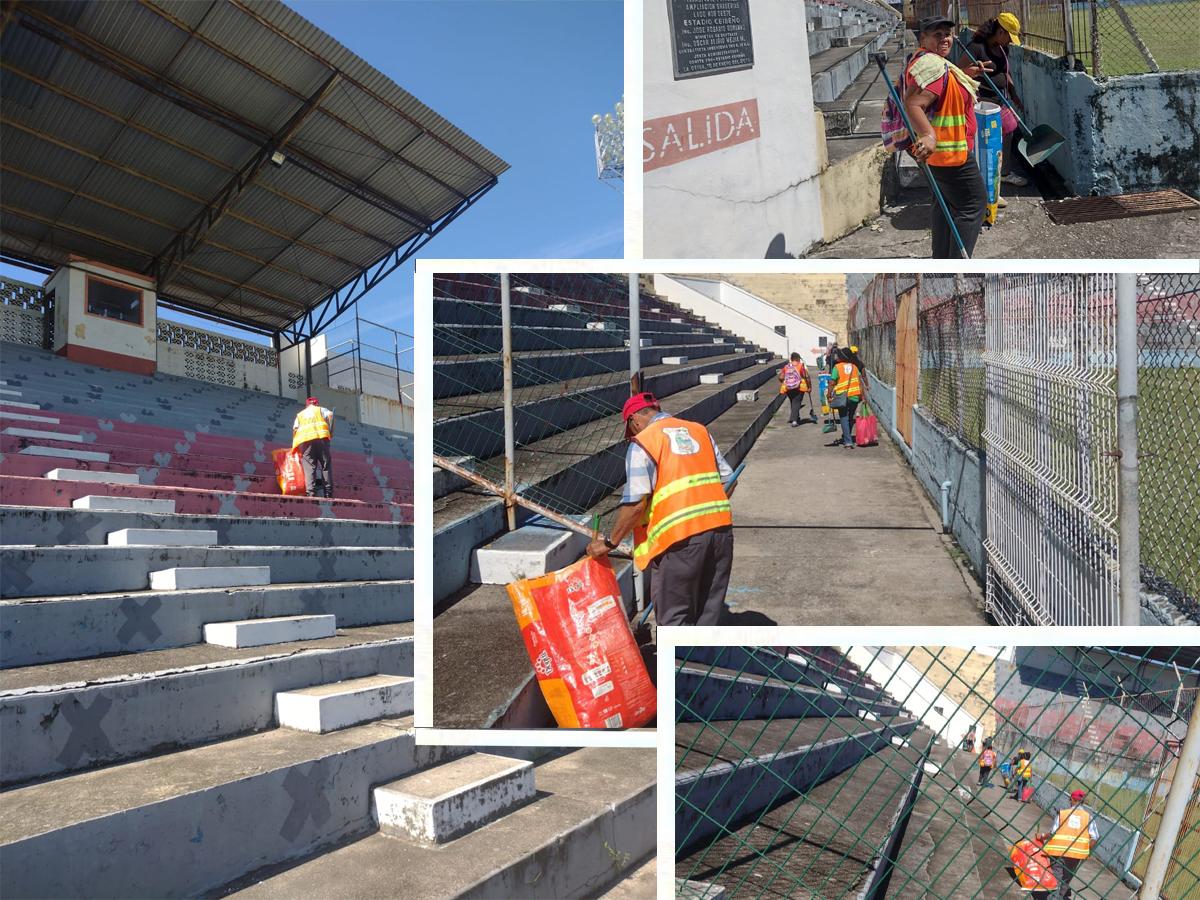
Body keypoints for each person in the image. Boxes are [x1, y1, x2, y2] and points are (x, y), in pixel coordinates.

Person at [587, 392, 736, 626]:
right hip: (721, 533)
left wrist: (610, 542)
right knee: (708, 615)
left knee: (674, 620)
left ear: (634, 419)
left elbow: (635, 505)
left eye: (631, 429)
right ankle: (697, 661)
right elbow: (729, 479)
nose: (633, 434)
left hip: (678, 543)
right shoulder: (698, 430)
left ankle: (675, 662)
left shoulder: (644, 442)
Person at [904, 15, 991, 258]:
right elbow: (913, 103)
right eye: (937, 34)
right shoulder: (934, 67)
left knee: (944, 207)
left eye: (947, 34)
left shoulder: (931, 62)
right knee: (973, 204)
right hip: (949, 153)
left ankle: (941, 263)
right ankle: (956, 267)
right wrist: (928, 134)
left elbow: (940, 88)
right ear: (923, 38)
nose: (945, 39)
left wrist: (963, 74)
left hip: (940, 155)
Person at [959, 12, 1028, 194]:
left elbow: (1006, 73)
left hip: (1000, 99)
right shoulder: (975, 48)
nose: (1010, 41)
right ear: (1000, 32)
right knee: (985, 140)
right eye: (1009, 37)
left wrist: (1014, 95)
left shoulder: (1002, 48)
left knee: (1009, 129)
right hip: (982, 103)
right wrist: (975, 71)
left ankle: (1003, 172)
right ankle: (982, 177)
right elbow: (959, 72)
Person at [1038, 789, 1099, 898]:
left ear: (1071, 799)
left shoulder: (1063, 814)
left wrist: (1042, 836)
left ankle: (1054, 897)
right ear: (1083, 802)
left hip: (1058, 852)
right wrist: (1086, 852)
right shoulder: (1088, 817)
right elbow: (1095, 837)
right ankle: (1060, 896)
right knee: (1067, 877)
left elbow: (1052, 833)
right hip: (1075, 855)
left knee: (1056, 876)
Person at [292, 396, 335, 498]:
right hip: (322, 440)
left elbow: (295, 429)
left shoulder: (300, 414)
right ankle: (328, 493)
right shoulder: (321, 409)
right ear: (316, 403)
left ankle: (310, 493)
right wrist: (331, 432)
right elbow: (331, 415)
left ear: (306, 405)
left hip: (306, 442)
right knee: (325, 465)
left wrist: (296, 444)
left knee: (309, 467)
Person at [828, 347, 869, 449]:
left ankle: (848, 441)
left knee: (844, 417)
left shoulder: (837, 367)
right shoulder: (854, 367)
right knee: (850, 417)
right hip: (855, 397)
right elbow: (860, 383)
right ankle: (847, 437)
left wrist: (829, 394)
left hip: (842, 397)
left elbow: (832, 382)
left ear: (842, 357)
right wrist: (863, 397)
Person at [777, 353, 817, 427]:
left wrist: (785, 382)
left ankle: (795, 417)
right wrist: (809, 387)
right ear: (798, 358)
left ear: (791, 359)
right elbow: (807, 377)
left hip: (788, 388)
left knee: (793, 402)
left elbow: (781, 377)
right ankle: (794, 421)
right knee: (797, 402)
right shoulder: (800, 366)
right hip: (799, 387)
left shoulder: (786, 367)